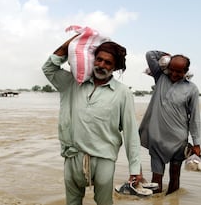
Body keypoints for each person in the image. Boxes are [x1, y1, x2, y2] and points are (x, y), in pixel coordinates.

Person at [42, 35, 142, 205]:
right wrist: (70, 44)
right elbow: (49, 68)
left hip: (104, 158)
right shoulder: (73, 83)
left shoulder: (122, 92)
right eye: (99, 59)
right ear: (93, 59)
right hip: (73, 155)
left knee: (104, 202)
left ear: (115, 67)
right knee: (72, 202)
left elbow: (131, 132)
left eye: (108, 63)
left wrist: (134, 169)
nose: (101, 65)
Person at [139, 50, 201, 195]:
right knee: (156, 181)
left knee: (175, 178)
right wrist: (167, 55)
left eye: (179, 72)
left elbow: (194, 118)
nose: (174, 74)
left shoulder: (191, 89)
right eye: (171, 70)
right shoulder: (160, 77)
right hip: (157, 138)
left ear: (186, 71)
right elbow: (150, 55)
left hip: (178, 141)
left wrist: (197, 143)